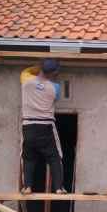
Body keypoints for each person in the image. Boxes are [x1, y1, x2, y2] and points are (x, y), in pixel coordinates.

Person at [20, 58, 66, 194]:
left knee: (28, 157)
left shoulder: (25, 80)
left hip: (28, 125)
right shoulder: (55, 88)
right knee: (55, 157)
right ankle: (58, 188)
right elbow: (55, 98)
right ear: (54, 73)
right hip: (46, 126)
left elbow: (27, 71)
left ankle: (27, 187)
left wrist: (38, 67)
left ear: (40, 68)